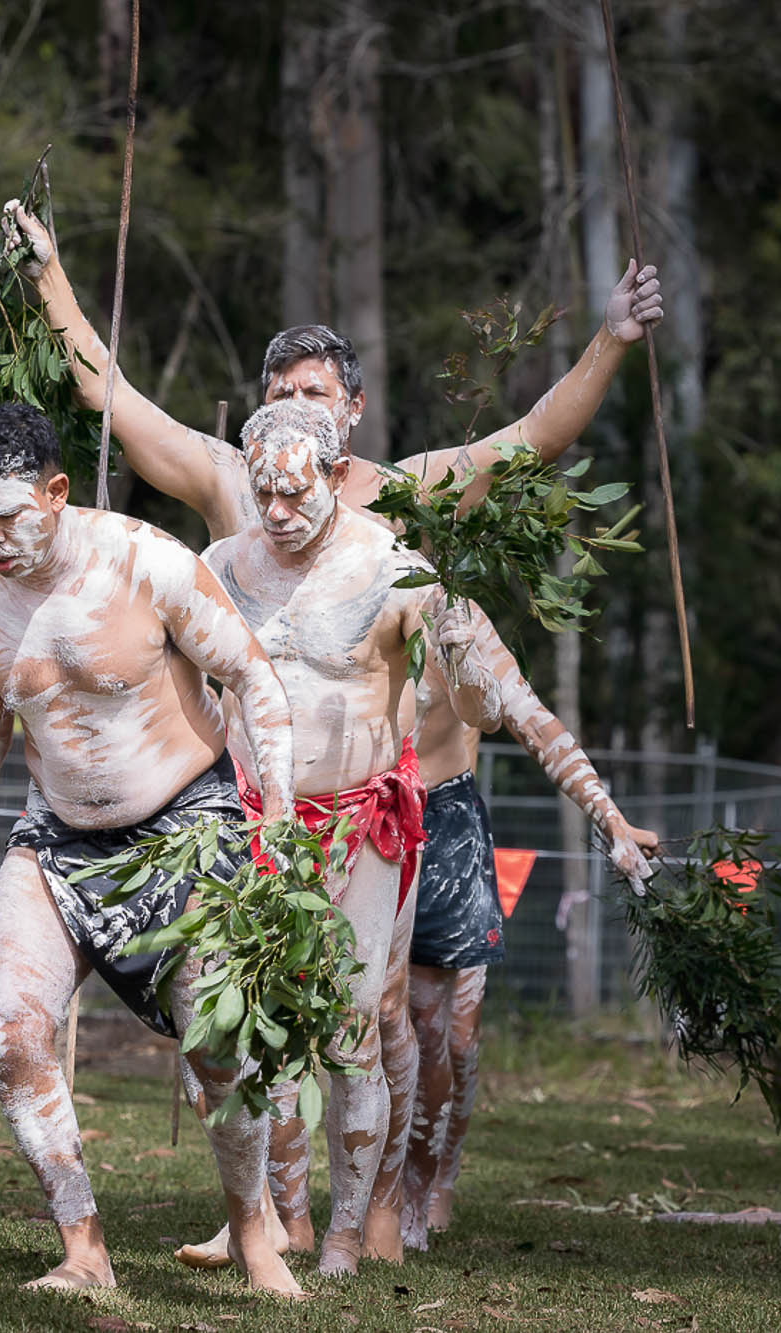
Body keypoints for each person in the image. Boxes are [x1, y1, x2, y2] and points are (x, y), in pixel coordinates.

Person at [1, 201, 660, 1261]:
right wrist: (49, 282)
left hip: (406, 796)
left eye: (315, 396)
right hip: (263, 803)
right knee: (252, 1015)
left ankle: (393, 1202)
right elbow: (109, 395)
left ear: (349, 410)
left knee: (409, 1022)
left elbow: (531, 440)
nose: (294, 418)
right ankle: (277, 1215)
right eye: (279, 397)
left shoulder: (407, 503)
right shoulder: (233, 487)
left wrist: (611, 339)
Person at [0, 402, 307, 1297]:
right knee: (7, 1026)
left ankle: (256, 1234)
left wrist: (281, 812)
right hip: (59, 833)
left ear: (57, 493)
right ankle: (84, 1247)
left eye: (6, 515)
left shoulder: (148, 562)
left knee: (216, 1035)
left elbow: (252, 676)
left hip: (186, 819)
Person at [197, 398, 501, 1277]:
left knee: (360, 1019)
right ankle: (263, 1217)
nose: (278, 512)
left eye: (296, 493)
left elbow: (487, 693)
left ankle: (355, 1224)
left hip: (372, 818)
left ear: (338, 472)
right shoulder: (220, 565)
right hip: (258, 823)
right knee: (235, 1027)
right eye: (264, 495)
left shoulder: (395, 569)